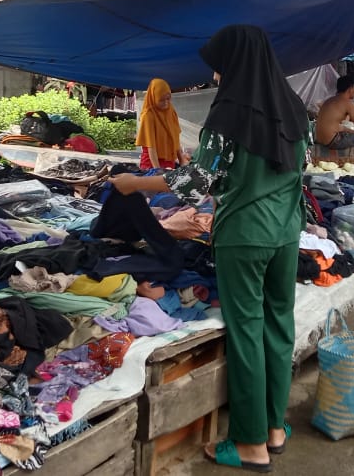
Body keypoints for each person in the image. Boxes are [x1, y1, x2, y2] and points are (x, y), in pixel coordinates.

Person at [110, 25, 308, 471]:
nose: (216, 77)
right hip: (287, 231)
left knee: (246, 332)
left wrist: (134, 183)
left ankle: (251, 443)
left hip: (245, 234)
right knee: (279, 324)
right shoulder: (294, 107)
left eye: (219, 67)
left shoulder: (229, 112)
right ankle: (275, 427)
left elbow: (197, 181)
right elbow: (303, 166)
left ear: (235, 63)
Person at [135, 78, 187, 170]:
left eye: (168, 98)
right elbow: (151, 146)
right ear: (153, 97)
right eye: (161, 100)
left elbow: (175, 140)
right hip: (151, 164)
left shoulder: (171, 111)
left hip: (169, 163)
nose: (166, 103)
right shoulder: (148, 115)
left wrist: (182, 160)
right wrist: (157, 170)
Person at [315, 76, 354, 148]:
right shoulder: (348, 103)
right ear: (350, 89)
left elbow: (335, 126)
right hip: (332, 141)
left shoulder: (329, 100)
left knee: (353, 132)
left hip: (319, 139)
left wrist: (352, 131)